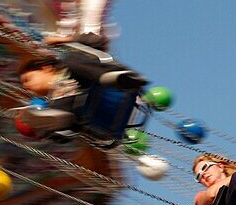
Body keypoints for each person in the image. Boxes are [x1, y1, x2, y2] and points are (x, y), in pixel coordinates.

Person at [18, 32, 147, 132]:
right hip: (84, 111)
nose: (26, 86)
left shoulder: (67, 67)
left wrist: (66, 40)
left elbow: (98, 41)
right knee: (52, 111)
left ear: (45, 69)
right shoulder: (52, 102)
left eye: (28, 80)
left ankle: (115, 77)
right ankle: (62, 128)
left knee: (71, 59)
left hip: (96, 86)